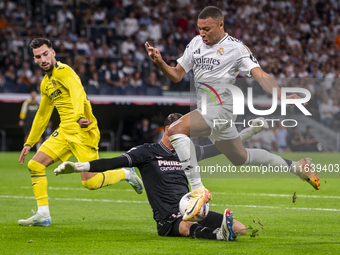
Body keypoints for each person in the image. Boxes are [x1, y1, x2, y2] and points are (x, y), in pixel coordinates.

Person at [145, 6, 320, 221]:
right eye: (199, 28)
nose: (202, 33)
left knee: (175, 129)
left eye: (207, 29)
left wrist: (281, 94)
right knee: (241, 158)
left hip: (221, 109)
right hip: (208, 111)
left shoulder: (236, 48)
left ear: (220, 25)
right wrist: (160, 62)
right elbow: (176, 75)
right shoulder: (195, 44)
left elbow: (260, 73)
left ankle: (198, 190)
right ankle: (298, 168)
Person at [55, 113, 271, 240]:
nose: (185, 135)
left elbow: (222, 148)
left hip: (192, 209)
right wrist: (76, 167)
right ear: (168, 129)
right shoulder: (146, 152)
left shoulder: (187, 152)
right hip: (168, 218)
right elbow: (112, 162)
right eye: (181, 131)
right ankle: (218, 235)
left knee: (241, 228)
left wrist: (250, 132)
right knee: (187, 228)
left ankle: (223, 230)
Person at [18, 37, 142, 227]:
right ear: (34, 59)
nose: (42, 59)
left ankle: (126, 173)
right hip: (64, 132)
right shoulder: (45, 83)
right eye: (38, 57)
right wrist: (29, 142)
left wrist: (77, 117)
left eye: (45, 54)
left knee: (90, 183)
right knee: (35, 165)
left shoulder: (64, 71)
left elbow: (78, 93)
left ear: (53, 52)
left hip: (83, 130)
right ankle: (43, 214)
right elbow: (42, 114)